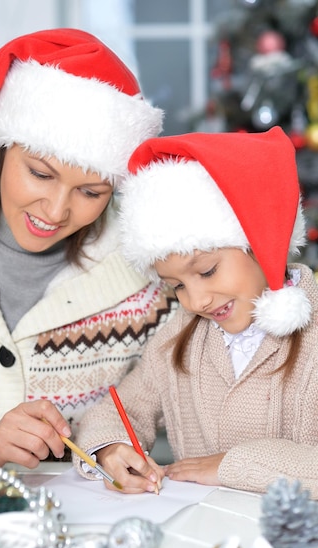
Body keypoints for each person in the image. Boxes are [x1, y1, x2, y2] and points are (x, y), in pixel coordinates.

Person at [0, 28, 178, 470]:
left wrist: (110, 446)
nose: (56, 210)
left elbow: (162, 409)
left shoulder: (147, 273)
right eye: (40, 174)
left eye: (90, 192)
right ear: (3, 147)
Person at [74, 126, 318, 499]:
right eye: (178, 286)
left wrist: (231, 465)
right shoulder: (180, 335)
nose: (198, 300)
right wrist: (111, 448)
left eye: (206, 271)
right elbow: (118, 409)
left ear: (260, 239)